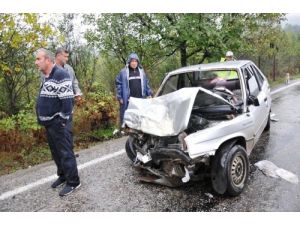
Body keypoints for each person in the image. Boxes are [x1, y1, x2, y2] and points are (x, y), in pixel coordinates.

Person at [35, 48, 81, 197]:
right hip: (49, 123)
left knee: (65, 152)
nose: (36, 62)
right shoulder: (46, 75)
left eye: (38, 59)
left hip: (59, 122)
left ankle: (73, 181)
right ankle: (63, 176)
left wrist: (62, 120)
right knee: (56, 152)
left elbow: (67, 102)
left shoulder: (61, 75)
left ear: (47, 60)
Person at [115, 53, 152, 127]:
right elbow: (118, 83)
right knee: (130, 118)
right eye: (132, 61)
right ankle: (129, 132)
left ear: (138, 62)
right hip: (129, 100)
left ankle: (140, 131)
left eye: (136, 61)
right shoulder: (124, 72)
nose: (134, 63)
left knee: (140, 116)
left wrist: (149, 93)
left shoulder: (141, 71)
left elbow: (146, 83)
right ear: (129, 62)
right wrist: (120, 97)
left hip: (140, 98)